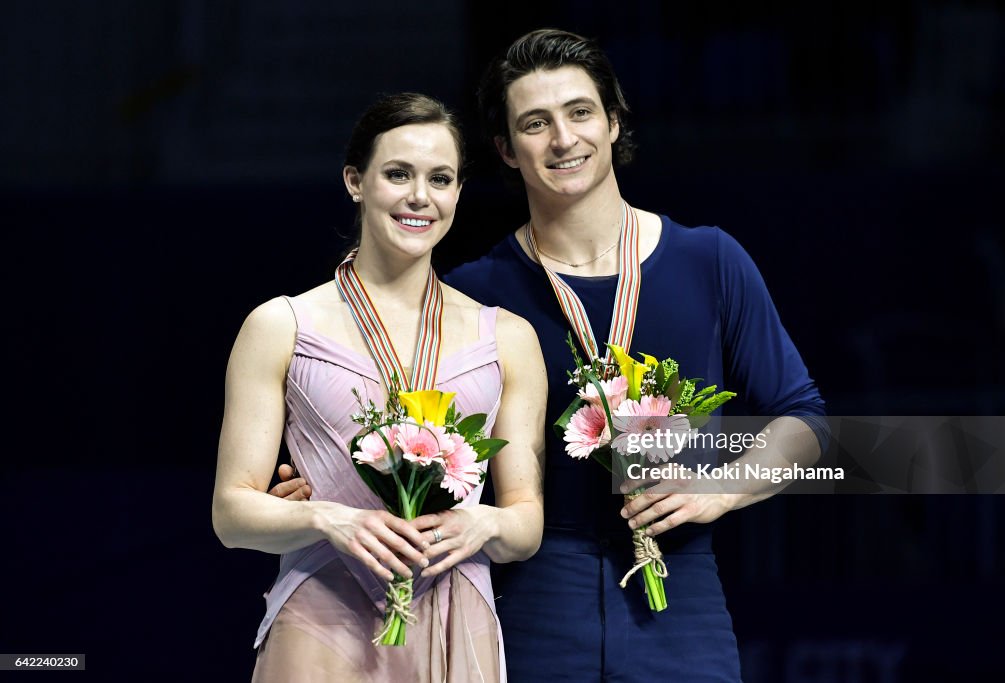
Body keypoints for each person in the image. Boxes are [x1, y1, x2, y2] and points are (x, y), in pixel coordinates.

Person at [275, 29, 828, 681]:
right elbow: (413, 434)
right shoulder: (476, 294)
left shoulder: (710, 262)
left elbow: (806, 424)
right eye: (535, 124)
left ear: (615, 122)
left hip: (683, 605)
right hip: (530, 612)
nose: (564, 139)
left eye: (580, 112)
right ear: (507, 151)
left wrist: (718, 484)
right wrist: (327, 483)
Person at [213, 92, 546, 682]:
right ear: (355, 181)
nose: (420, 196)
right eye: (398, 174)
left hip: (456, 612)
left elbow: (525, 524)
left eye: (440, 178)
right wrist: (328, 519)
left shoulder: (508, 338)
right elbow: (231, 514)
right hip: (323, 611)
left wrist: (484, 523)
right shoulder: (282, 325)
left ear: (458, 194)